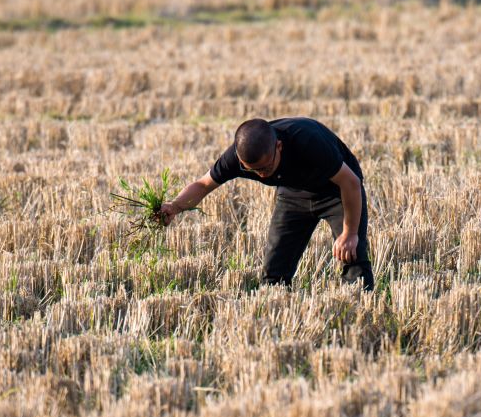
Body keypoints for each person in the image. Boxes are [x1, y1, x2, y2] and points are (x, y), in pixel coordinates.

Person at [160, 117, 374, 290]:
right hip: (293, 194)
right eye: (253, 170)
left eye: (266, 167)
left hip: (336, 191)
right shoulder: (236, 157)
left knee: (352, 259)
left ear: (279, 146)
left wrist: (350, 233)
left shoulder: (308, 141)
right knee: (274, 274)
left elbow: (351, 183)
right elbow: (203, 185)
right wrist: (175, 206)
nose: (261, 174)